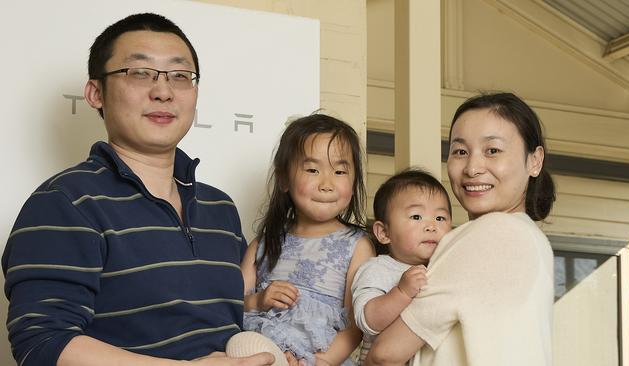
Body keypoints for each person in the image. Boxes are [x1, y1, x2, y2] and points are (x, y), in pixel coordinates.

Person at [2, 13, 274, 366]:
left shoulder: (219, 207)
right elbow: (42, 343)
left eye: (180, 76)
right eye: (139, 73)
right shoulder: (65, 201)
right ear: (95, 93)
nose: (163, 91)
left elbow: (236, 319)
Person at [365, 92, 556, 366]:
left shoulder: (491, 232)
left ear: (534, 160)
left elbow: (384, 355)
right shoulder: (533, 239)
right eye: (460, 151)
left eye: (493, 150)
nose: (473, 167)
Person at [240, 114, 375, 366]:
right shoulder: (264, 243)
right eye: (313, 170)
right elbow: (230, 304)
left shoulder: (357, 245)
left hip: (319, 360)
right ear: (283, 179)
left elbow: (354, 327)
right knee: (238, 347)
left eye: (339, 171)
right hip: (262, 353)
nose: (327, 184)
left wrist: (318, 362)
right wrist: (258, 300)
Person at [351, 168, 452, 365]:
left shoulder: (444, 268)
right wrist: (401, 292)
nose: (431, 226)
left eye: (440, 218)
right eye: (416, 217)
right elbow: (367, 320)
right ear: (383, 233)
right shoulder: (378, 268)